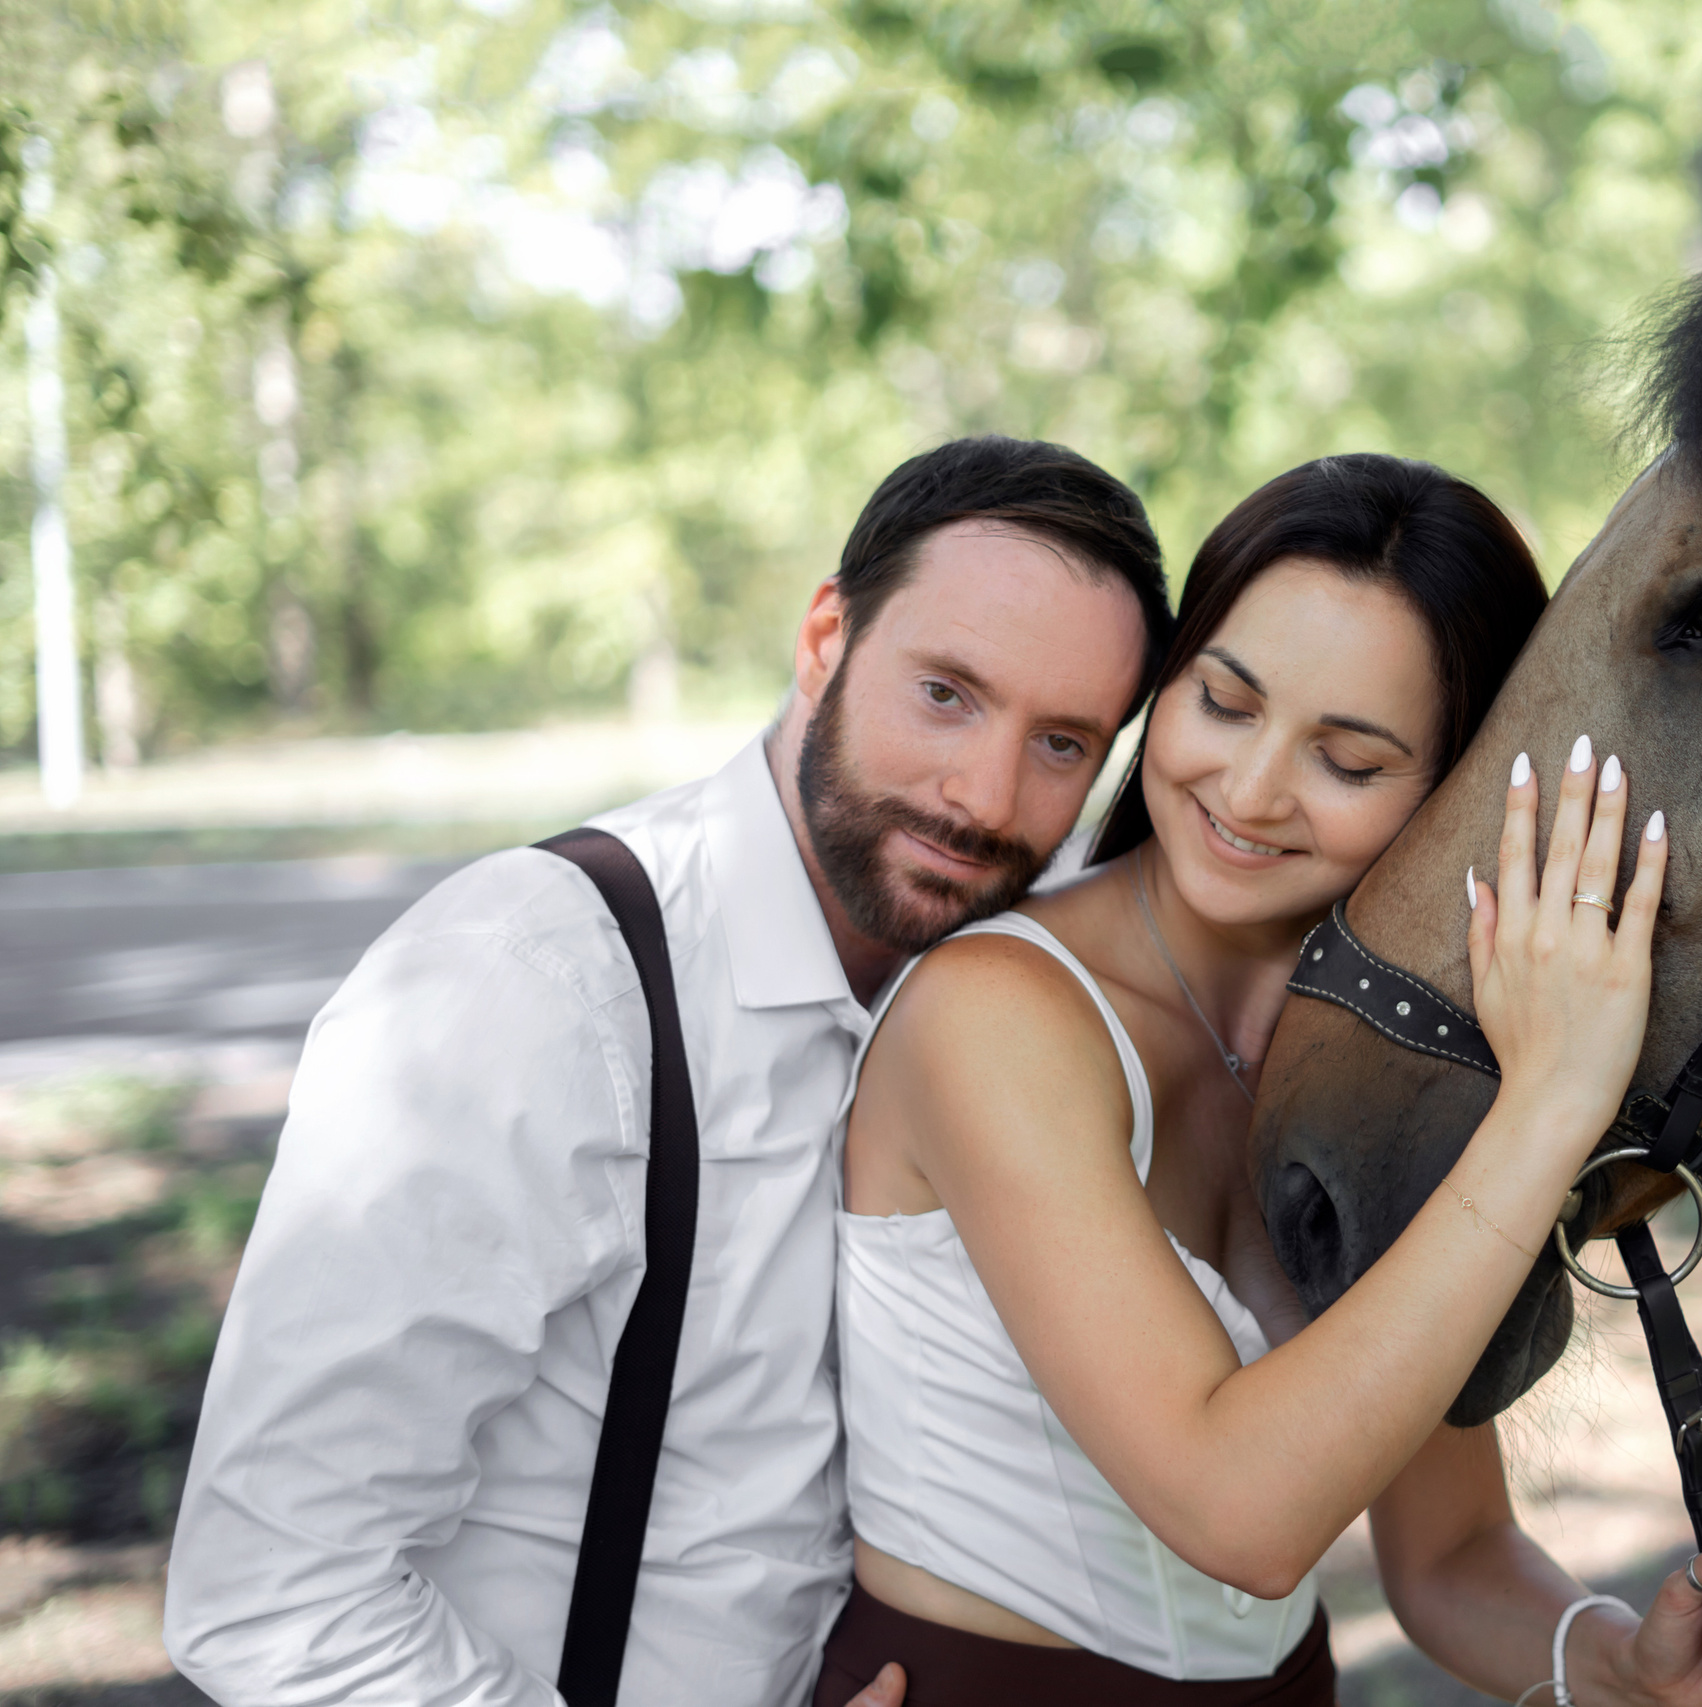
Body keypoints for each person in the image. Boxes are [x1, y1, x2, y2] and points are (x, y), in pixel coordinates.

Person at [163, 437, 1176, 1707]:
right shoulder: (529, 984)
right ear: (825, 641)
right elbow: (276, 1594)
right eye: (946, 694)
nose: (984, 794)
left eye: (1065, 744)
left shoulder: (999, 1007)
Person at [819, 455, 1702, 1707]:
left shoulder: (1382, 1060)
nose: (1247, 791)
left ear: (1453, 788)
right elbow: (1238, 1512)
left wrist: (1617, 1663)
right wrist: (1551, 1104)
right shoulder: (996, 1014)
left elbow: (1448, 1555)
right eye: (1223, 704)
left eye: (1348, 762)